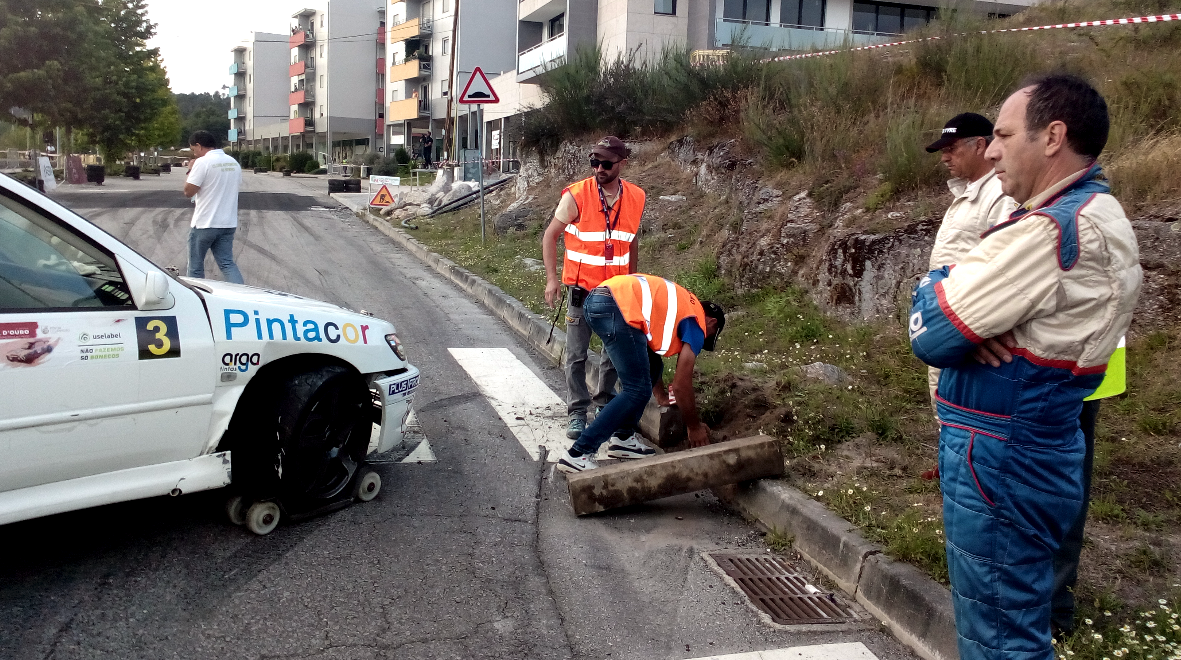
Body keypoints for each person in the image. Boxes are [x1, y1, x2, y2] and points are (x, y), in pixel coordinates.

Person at [908, 73, 1141, 659]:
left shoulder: (1050, 230)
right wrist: (957, 304)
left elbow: (931, 332)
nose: (991, 149)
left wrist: (939, 290)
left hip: (1001, 454)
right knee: (1008, 619)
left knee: (1001, 637)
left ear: (1053, 136)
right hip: (1019, 444)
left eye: (1005, 135)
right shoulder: (1087, 211)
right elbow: (951, 312)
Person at [556, 274, 725, 473]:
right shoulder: (698, 323)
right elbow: (681, 385)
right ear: (712, 323)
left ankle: (623, 437)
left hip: (600, 300)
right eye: (709, 337)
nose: (701, 342)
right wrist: (694, 427)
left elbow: (650, 361)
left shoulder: (680, 305)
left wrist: (660, 395)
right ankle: (579, 453)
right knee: (636, 389)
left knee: (651, 368)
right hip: (615, 306)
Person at [541, 136, 646, 442]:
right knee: (575, 354)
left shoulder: (637, 197)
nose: (599, 168)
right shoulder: (577, 194)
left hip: (615, 294)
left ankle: (604, 406)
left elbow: (631, 241)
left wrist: (633, 282)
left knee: (612, 355)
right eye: (594, 162)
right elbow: (550, 236)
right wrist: (552, 279)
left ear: (621, 164)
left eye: (606, 163)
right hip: (581, 291)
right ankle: (577, 411)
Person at [923, 113, 1017, 416]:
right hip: (953, 321)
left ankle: (957, 461)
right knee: (948, 405)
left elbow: (1003, 268)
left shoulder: (1000, 195)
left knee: (965, 411)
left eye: (951, 149)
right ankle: (948, 460)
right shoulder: (970, 191)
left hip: (971, 326)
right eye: (943, 151)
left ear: (980, 145)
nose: (945, 158)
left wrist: (978, 329)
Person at [183, 130, 244, 284]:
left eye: (193, 149)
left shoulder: (202, 163)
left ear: (199, 145)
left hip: (205, 223)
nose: (194, 154)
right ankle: (242, 295)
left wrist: (190, 170)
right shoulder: (233, 162)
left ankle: (197, 300)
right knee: (227, 263)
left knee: (195, 267)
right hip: (228, 223)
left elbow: (188, 192)